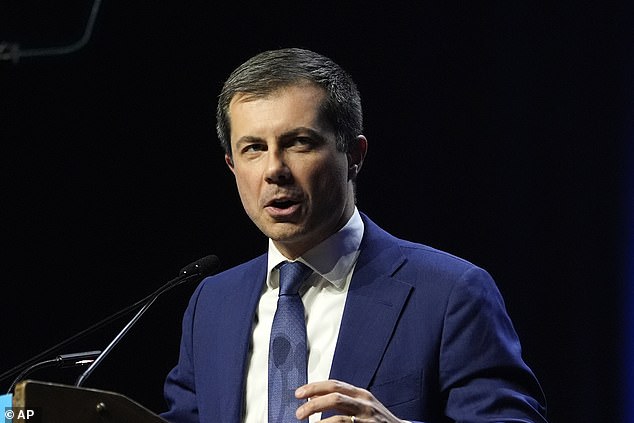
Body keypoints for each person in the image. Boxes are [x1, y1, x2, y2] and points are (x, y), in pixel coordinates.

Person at [161, 48, 548, 423]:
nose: (274, 169)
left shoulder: (449, 294)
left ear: (355, 156)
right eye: (254, 149)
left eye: (299, 143)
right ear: (232, 165)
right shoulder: (211, 303)